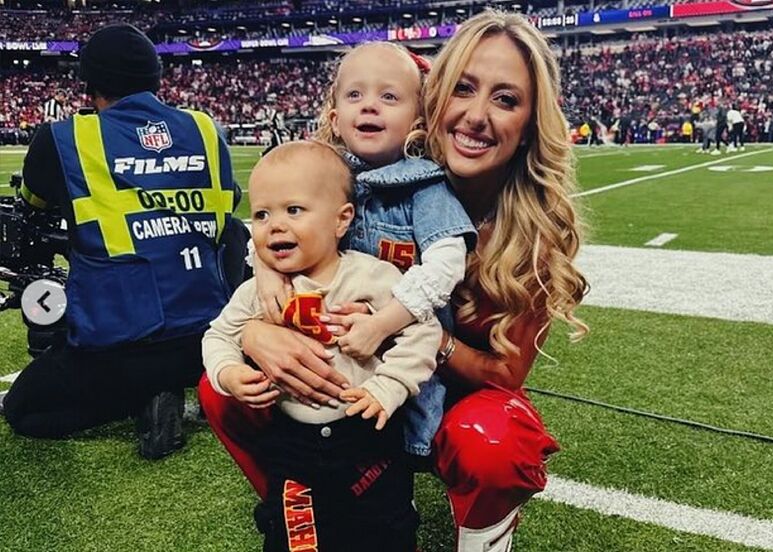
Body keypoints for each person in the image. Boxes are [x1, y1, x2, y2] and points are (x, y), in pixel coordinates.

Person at [200, 11, 588, 551]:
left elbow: (504, 372)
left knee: (492, 442)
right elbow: (282, 218)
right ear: (433, 100)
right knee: (223, 389)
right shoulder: (353, 174)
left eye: (506, 100)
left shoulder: (530, 228)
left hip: (449, 397)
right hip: (347, 380)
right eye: (465, 89)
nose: (476, 115)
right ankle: (306, 505)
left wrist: (407, 327)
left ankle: (484, 537)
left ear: (530, 123)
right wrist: (256, 327)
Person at [1, 24, 249, 460]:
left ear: (89, 85)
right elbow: (228, 206)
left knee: (26, 410)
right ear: (156, 80)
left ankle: (142, 394)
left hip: (121, 347)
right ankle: (173, 385)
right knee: (232, 229)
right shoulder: (206, 129)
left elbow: (32, 206)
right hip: (210, 339)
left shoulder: (66, 137)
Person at [204, 140, 441, 551]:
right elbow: (217, 335)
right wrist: (228, 371)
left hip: (369, 437)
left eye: (293, 210)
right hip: (292, 442)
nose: (274, 225)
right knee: (294, 538)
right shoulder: (257, 292)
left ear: (341, 219)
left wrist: (388, 386)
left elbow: (423, 331)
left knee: (387, 531)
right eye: (262, 214)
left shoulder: (373, 277)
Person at [256, 41, 477, 462]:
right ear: (335, 119)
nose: (369, 106)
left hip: (397, 355)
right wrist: (265, 269)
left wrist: (383, 323)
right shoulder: (319, 174)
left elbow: (448, 264)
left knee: (386, 454)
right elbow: (271, 224)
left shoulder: (425, 187)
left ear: (418, 119)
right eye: (355, 95)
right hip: (326, 347)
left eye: (388, 96)